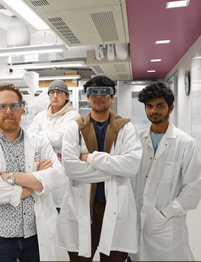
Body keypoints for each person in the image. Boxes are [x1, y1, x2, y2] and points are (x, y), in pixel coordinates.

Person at [0, 83, 65, 261]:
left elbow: (57, 176)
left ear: (22, 110)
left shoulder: (40, 143)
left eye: (14, 106)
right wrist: (36, 183)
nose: (8, 111)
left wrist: (14, 177)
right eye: (1, 106)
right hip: (2, 238)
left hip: (37, 234)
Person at [58, 76, 142, 261]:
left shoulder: (126, 128)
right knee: (80, 257)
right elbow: (71, 168)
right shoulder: (75, 129)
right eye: (93, 93)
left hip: (115, 205)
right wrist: (114, 168)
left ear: (112, 98)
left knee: (113, 257)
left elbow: (131, 166)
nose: (99, 96)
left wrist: (90, 158)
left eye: (104, 92)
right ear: (87, 98)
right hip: (83, 205)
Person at [130, 82, 201, 261]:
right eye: (149, 106)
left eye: (160, 105)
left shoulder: (185, 143)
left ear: (171, 108)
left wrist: (164, 214)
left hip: (167, 224)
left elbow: (193, 189)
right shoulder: (136, 140)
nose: (154, 111)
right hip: (137, 222)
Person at [27, 79, 80, 213]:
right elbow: (29, 137)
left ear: (66, 96)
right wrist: (46, 136)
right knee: (43, 212)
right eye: (52, 93)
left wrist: (39, 135)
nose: (55, 96)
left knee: (60, 212)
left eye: (59, 92)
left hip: (62, 170)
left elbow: (59, 139)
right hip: (42, 167)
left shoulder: (73, 116)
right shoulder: (40, 116)